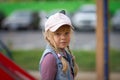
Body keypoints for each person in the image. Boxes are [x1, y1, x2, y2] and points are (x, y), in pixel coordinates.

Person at [39, 10, 79, 80]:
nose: (63, 37)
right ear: (48, 36)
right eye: (58, 34)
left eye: (66, 33)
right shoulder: (50, 58)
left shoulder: (65, 54)